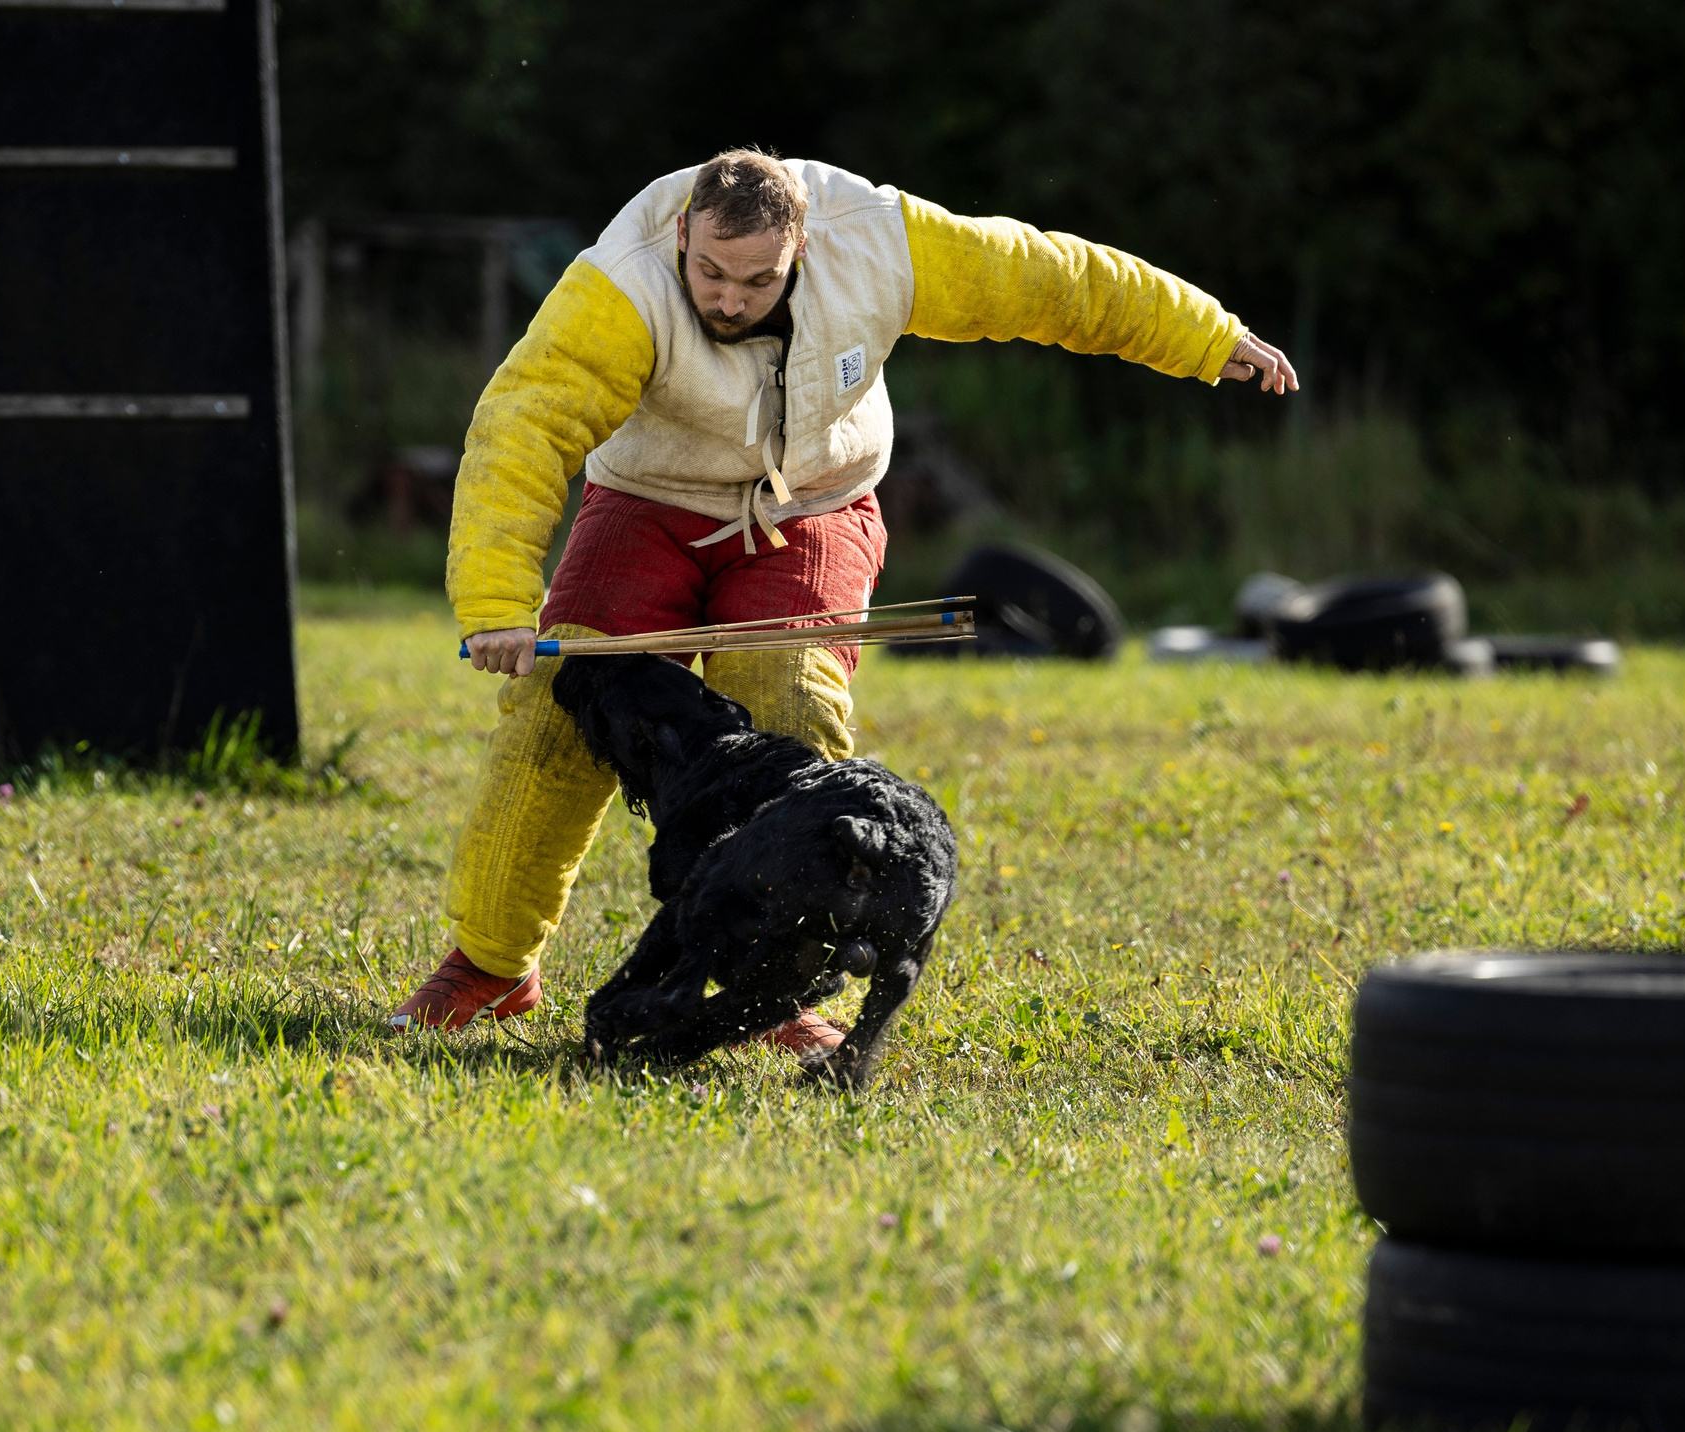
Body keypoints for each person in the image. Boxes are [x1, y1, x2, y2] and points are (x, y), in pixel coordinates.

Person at [392, 149, 1298, 1036]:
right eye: (709, 272)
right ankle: (489, 964)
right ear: (682, 234)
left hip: (816, 500)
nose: (729, 299)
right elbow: (523, 426)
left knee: (790, 704)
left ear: (804, 248)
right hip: (646, 498)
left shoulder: (877, 241)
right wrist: (497, 604)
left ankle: (778, 984)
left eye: (756, 279)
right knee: (560, 707)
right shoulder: (617, 286)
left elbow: (1049, 279)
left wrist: (1206, 336)